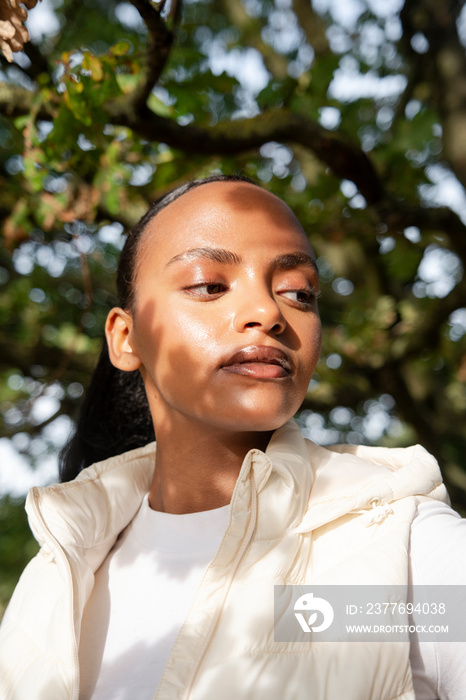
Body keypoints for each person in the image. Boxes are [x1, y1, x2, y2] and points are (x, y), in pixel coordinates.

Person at [0, 174, 465, 700]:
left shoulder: (398, 544)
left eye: (299, 293)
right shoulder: (56, 578)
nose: (269, 313)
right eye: (210, 285)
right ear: (126, 338)